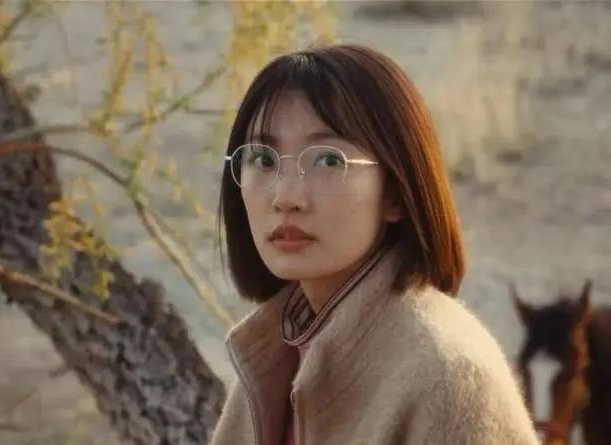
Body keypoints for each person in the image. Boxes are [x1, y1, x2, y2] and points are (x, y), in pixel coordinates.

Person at [211, 44, 540, 445]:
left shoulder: (446, 376)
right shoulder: (275, 353)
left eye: (328, 160)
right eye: (263, 160)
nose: (286, 197)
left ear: (396, 193)